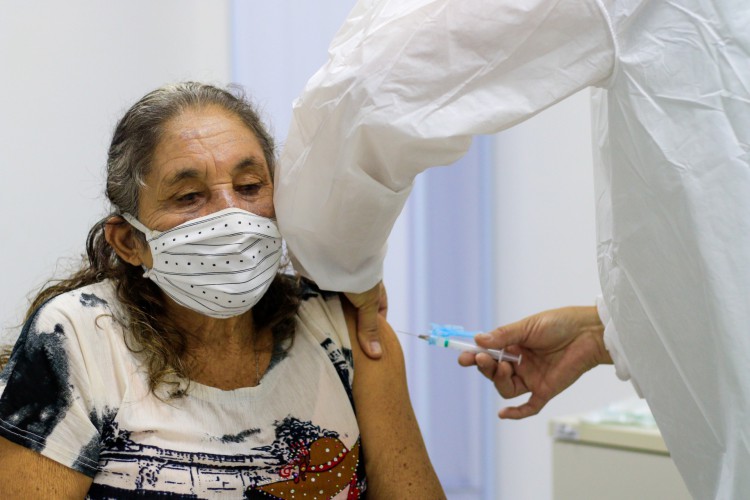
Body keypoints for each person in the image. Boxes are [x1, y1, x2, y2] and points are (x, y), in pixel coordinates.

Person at [274, 0, 750, 498]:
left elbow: (370, 88)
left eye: (248, 186)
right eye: (189, 196)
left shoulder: (352, 344)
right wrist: (605, 329)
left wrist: (341, 264)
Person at [0, 82, 444, 499]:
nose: (234, 218)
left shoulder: (341, 329)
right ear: (130, 242)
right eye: (189, 196)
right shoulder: (78, 337)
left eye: (251, 187)